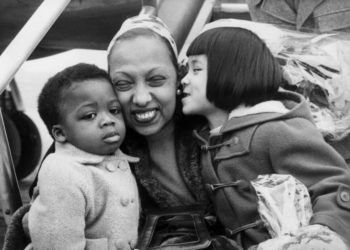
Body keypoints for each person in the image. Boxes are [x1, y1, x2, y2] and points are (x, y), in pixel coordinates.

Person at [180, 23, 350, 249]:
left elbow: (333, 186)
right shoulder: (209, 139)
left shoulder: (276, 129)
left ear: (231, 71)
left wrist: (322, 237)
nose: (184, 80)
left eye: (196, 69)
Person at [28, 63, 140, 250]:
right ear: (60, 133)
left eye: (114, 110)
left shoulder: (113, 156)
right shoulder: (63, 173)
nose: (108, 120)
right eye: (90, 115)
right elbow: (58, 243)